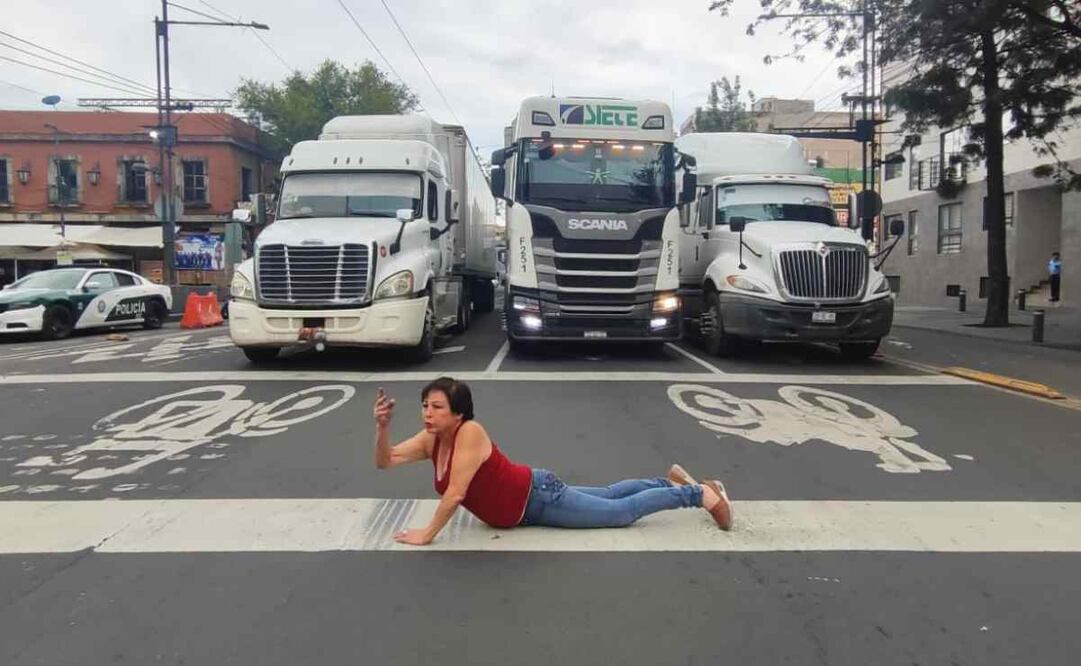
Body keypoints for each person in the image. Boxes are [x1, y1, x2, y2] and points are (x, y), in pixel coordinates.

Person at [373, 376, 733, 546]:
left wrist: (427, 535)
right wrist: (383, 427)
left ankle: (698, 494)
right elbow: (386, 461)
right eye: (425, 406)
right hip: (533, 497)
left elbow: (454, 493)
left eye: (437, 407)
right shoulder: (431, 441)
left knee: (620, 514)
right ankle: (670, 483)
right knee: (610, 495)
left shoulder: (470, 433)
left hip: (538, 499)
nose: (427, 413)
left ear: (458, 413)